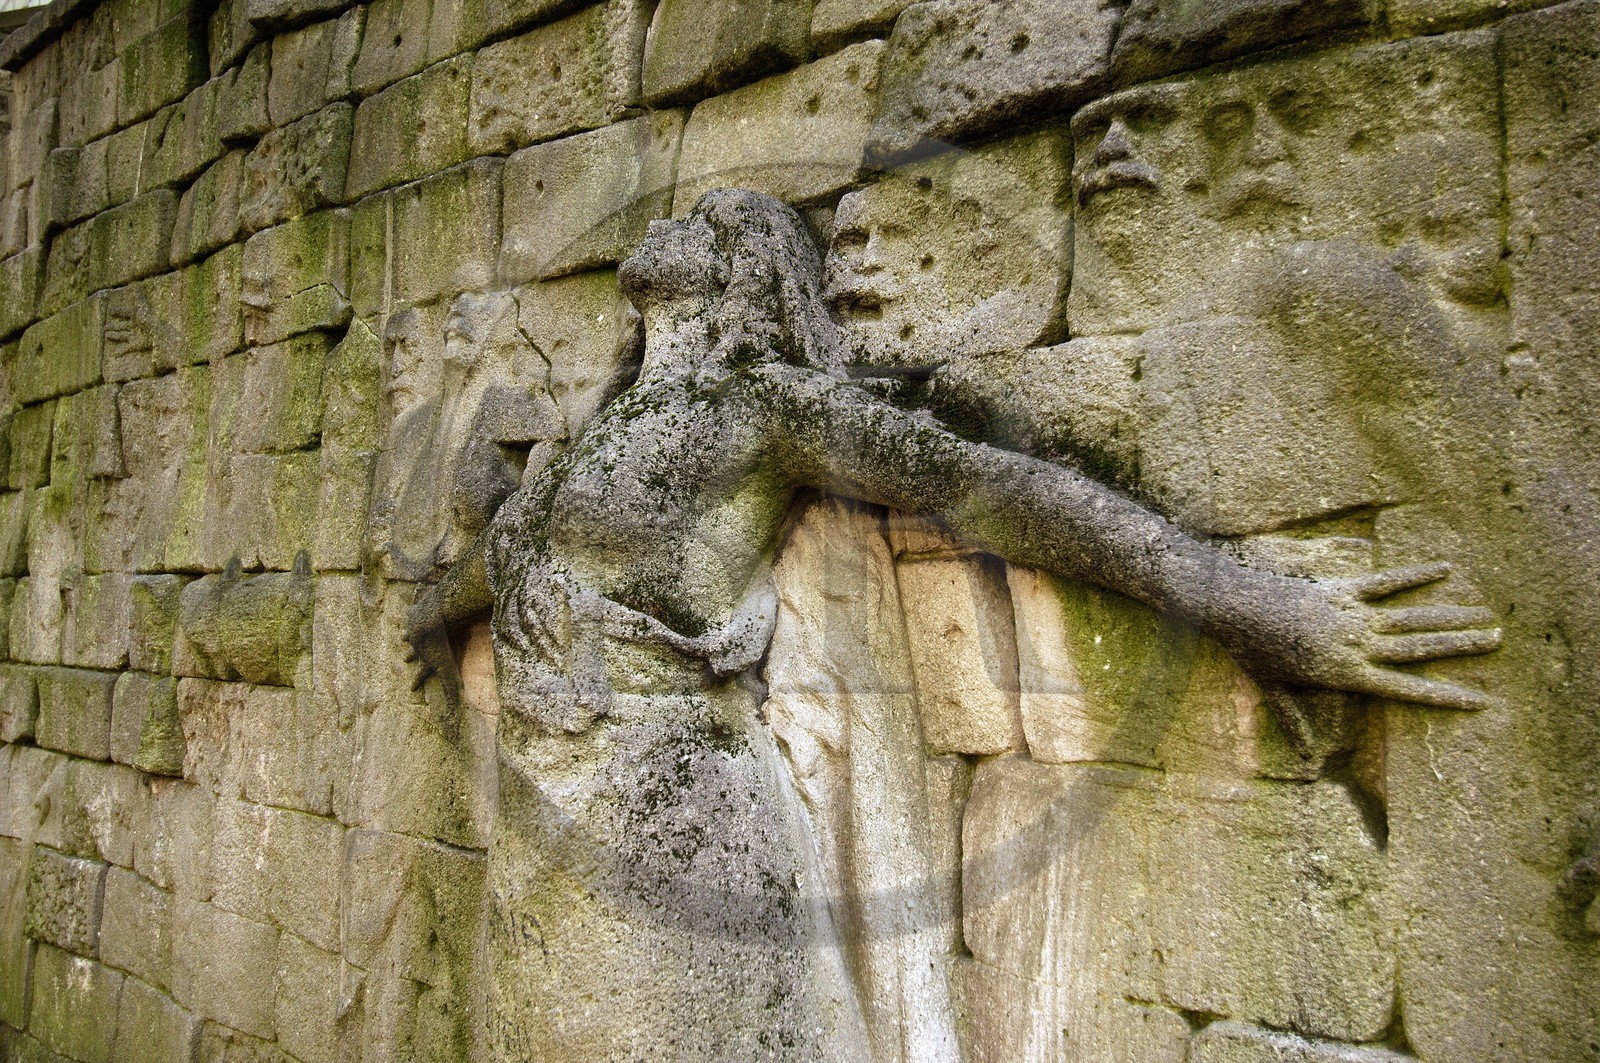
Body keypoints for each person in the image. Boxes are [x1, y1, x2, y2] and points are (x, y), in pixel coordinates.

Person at [405, 189, 1500, 1061]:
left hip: (668, 795)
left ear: (743, 272)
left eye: (704, 219)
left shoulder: (763, 401)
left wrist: (1248, 603)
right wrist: (422, 615)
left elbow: (992, 489)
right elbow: (490, 576)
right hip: (555, 796)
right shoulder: (607, 431)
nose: (663, 223)